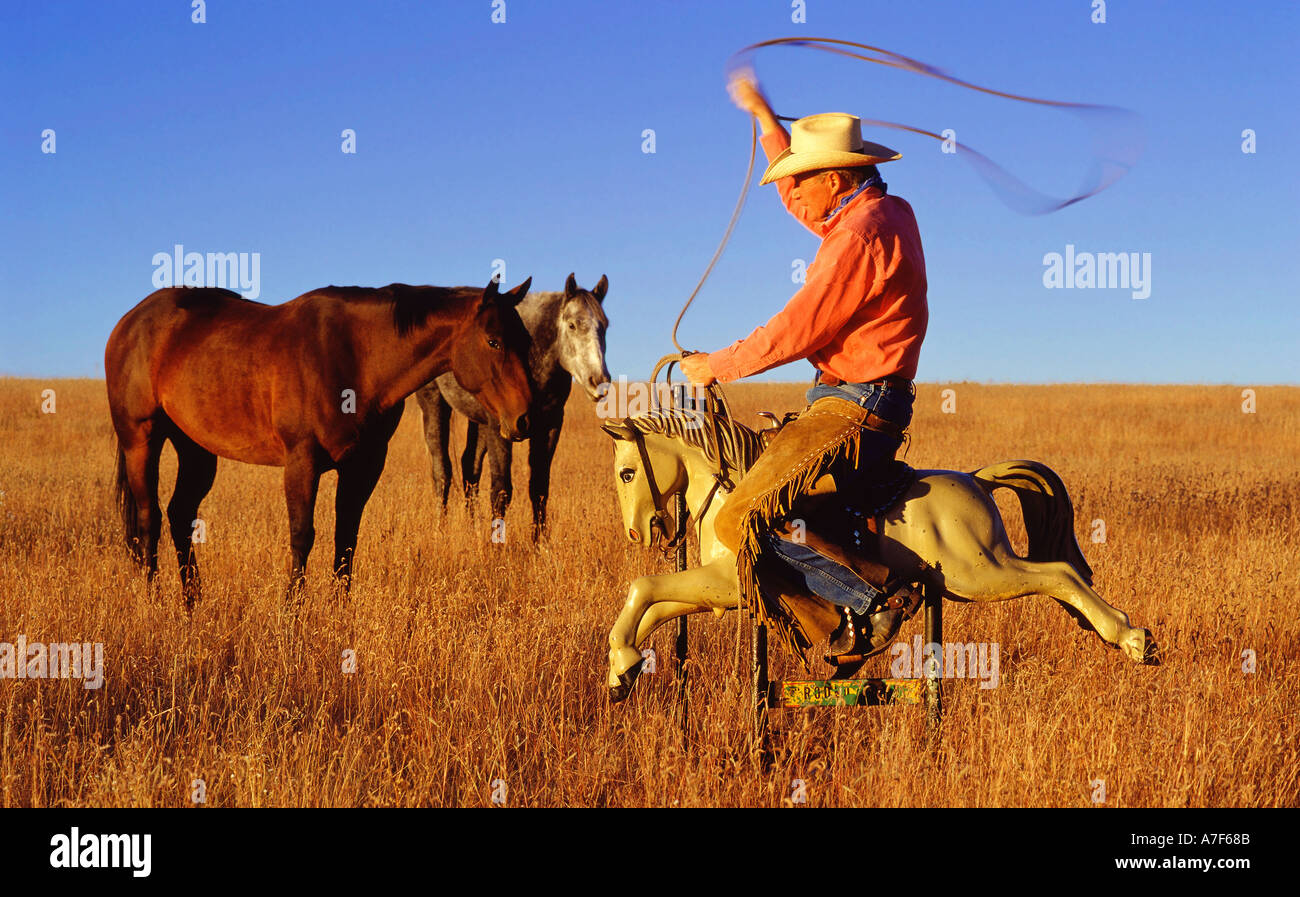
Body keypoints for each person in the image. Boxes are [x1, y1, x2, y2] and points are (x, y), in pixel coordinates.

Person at [680, 74, 929, 656]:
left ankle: (876, 594)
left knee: (736, 518)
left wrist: (718, 365)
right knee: (758, 513)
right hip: (859, 398)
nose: (790, 190)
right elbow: (803, 202)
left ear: (836, 178)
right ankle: (832, 629)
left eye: (800, 176)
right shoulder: (881, 211)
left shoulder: (858, 239)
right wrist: (767, 120)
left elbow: (798, 329)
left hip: (855, 402)